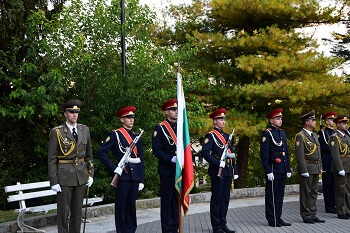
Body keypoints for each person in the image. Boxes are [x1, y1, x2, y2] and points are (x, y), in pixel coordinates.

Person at [48, 99, 94, 233]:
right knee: (63, 212)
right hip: (64, 175)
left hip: (81, 175)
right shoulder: (57, 132)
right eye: (71, 112)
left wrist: (90, 174)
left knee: (77, 212)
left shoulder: (84, 130)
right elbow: (51, 158)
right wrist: (53, 180)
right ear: (65, 114)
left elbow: (89, 156)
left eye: (76, 112)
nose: (74, 115)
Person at [98, 106, 145, 233]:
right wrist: (114, 168)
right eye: (128, 117)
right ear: (121, 119)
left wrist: (141, 179)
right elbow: (102, 152)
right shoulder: (115, 135)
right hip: (123, 175)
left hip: (134, 176)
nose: (131, 120)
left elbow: (141, 158)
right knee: (121, 206)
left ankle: (131, 230)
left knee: (131, 206)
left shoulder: (136, 136)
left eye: (133, 117)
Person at [201, 108, 238, 233]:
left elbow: (231, 154)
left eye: (224, 119)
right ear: (214, 121)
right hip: (217, 171)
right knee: (217, 198)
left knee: (225, 199)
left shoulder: (227, 136)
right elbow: (205, 153)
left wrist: (235, 170)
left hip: (227, 170)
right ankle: (216, 226)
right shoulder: (210, 136)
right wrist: (218, 163)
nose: (223, 122)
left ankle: (223, 223)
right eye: (220, 119)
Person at [260, 108, 291, 227]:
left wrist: (287, 168)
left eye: (281, 118)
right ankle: (272, 219)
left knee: (279, 195)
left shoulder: (282, 133)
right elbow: (264, 154)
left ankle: (278, 217)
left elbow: (286, 152)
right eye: (278, 119)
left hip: (282, 167)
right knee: (271, 195)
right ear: (271, 120)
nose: (280, 120)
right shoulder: (267, 133)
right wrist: (268, 170)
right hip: (273, 167)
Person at [152, 99, 179, 233]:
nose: (176, 112)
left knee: (176, 199)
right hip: (167, 169)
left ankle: (175, 226)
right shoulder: (160, 128)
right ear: (167, 112)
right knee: (167, 200)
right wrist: (170, 158)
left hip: (179, 169)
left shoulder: (181, 127)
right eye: (173, 110)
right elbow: (157, 151)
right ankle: (167, 229)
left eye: (177, 109)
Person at [295, 110, 325, 224]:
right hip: (307, 167)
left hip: (315, 167)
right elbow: (300, 154)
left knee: (313, 192)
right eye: (313, 120)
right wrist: (303, 170)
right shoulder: (300, 136)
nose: (315, 122)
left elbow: (318, 153)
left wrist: (320, 166)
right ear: (307, 122)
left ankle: (313, 213)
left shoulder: (314, 136)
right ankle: (306, 215)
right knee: (306, 192)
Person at [328, 114, 350, 219]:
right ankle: (341, 211)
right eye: (343, 123)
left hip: (348, 165)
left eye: (346, 123)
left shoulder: (346, 136)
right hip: (341, 166)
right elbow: (335, 155)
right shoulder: (334, 137)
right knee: (341, 190)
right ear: (338, 124)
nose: (346, 125)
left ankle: (348, 210)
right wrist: (340, 168)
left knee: (348, 190)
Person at [318, 112, 337, 214]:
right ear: (326, 122)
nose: (334, 122)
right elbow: (321, 147)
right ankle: (329, 206)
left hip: (335, 161)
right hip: (327, 161)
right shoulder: (323, 133)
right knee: (328, 184)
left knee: (335, 184)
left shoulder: (336, 132)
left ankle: (335, 204)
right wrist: (333, 148)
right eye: (331, 120)